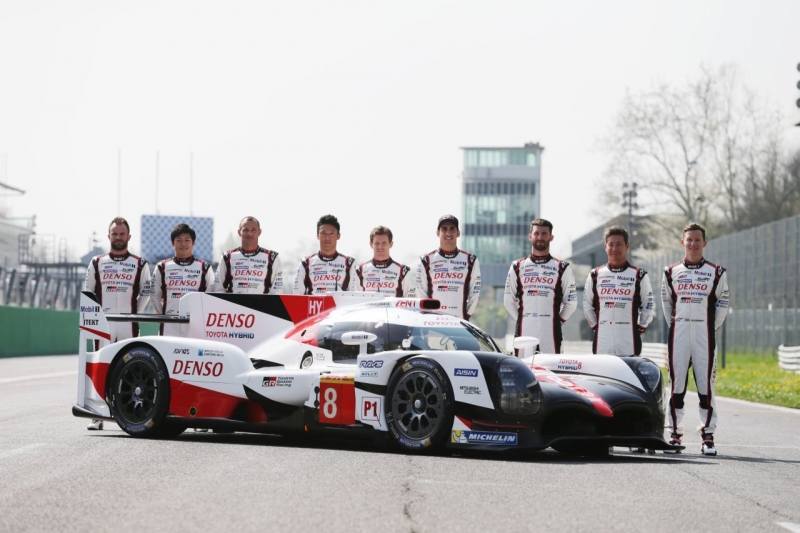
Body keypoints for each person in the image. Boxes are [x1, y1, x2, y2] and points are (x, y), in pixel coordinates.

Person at [661, 222, 729, 456]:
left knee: (705, 386)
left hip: (704, 335)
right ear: (683, 242)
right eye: (689, 239)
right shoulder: (670, 272)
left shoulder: (717, 272)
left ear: (704, 243)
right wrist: (677, 325)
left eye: (697, 240)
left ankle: (707, 437)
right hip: (678, 333)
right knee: (676, 386)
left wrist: (709, 327)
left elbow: (722, 305)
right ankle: (675, 434)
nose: (693, 244)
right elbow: (667, 304)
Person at [83, 217, 152, 430]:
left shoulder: (140, 263)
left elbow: (146, 292)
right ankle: (98, 414)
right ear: (109, 236)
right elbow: (88, 292)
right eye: (115, 234)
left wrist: (134, 313)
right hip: (103, 323)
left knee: (130, 366)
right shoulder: (97, 262)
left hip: (128, 323)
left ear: (129, 236)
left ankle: (131, 413)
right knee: (100, 365)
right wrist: (96, 317)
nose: (118, 237)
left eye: (122, 234)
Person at [504, 218, 577, 354]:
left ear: (551, 237)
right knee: (523, 366)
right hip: (524, 330)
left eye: (544, 234)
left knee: (551, 367)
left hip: (551, 331)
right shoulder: (517, 266)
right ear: (530, 236)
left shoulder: (562, 267)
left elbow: (571, 303)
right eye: (536, 233)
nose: (540, 237)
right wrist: (522, 319)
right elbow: (508, 301)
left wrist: (557, 321)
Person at [583, 225, 655, 355]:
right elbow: (587, 305)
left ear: (627, 246)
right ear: (605, 246)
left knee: (628, 369)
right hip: (602, 339)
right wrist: (597, 327)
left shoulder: (639, 275)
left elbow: (648, 306)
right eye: (611, 244)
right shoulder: (595, 275)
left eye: (619, 244)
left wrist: (640, 329)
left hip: (629, 339)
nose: (614, 249)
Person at [151, 223, 215, 336]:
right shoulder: (162, 267)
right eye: (179, 240)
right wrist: (164, 317)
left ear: (193, 243)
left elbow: (211, 298)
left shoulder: (205, 268)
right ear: (173, 243)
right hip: (169, 328)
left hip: (195, 327)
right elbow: (154, 296)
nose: (183, 244)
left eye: (187, 240)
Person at [415, 215, 481, 320]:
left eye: (452, 229)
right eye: (444, 229)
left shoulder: (471, 260)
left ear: (458, 233)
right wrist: (427, 317)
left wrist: (466, 315)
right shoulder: (426, 260)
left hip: (460, 321)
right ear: (437, 233)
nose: (448, 233)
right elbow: (421, 293)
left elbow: (474, 293)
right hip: (432, 322)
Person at [215, 216, 283, 294]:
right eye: (245, 230)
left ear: (259, 232)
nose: (249, 234)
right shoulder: (227, 257)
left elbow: (277, 292)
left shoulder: (272, 258)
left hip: (261, 302)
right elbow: (218, 289)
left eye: (253, 230)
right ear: (239, 232)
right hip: (232, 302)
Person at [293, 214, 358, 294]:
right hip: (314, 302)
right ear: (317, 235)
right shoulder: (305, 263)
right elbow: (297, 296)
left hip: (340, 303)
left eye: (331, 233)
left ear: (338, 236)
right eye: (323, 233)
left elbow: (355, 296)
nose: (327, 238)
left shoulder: (349, 263)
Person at [354, 226, 414, 297]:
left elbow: (411, 300)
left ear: (391, 244)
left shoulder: (403, 271)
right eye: (377, 243)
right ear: (371, 244)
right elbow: (355, 299)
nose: (380, 247)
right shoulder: (360, 270)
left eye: (384, 243)